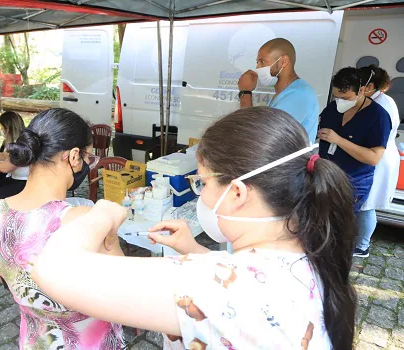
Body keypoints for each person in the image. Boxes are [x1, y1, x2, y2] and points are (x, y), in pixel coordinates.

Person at [28, 107, 357, 349]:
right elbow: (233, 288)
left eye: (203, 182)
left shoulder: (211, 284)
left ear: (238, 193)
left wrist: (100, 212)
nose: (201, 193)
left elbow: (54, 269)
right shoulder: (310, 250)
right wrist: (195, 252)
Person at [0, 108, 125, 349]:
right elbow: (122, 294)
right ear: (74, 156)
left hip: (36, 340)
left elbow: (7, 278)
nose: (87, 164)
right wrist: (109, 223)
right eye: (88, 158)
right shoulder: (86, 221)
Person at [318, 67, 391, 258]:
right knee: (320, 223)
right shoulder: (333, 109)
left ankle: (336, 265)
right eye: (336, 96)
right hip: (325, 175)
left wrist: (339, 140)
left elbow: (374, 157)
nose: (340, 102)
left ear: (361, 90)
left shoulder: (378, 116)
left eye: (346, 98)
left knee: (340, 229)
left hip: (353, 182)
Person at [238, 38, 319, 144]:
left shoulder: (299, 94)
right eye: (257, 62)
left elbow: (257, 135)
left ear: (283, 61)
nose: (257, 67)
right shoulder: (284, 93)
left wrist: (245, 92)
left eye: (262, 62)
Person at [356, 65, 400, 256]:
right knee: (366, 203)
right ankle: (359, 242)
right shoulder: (381, 100)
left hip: (378, 157)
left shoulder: (380, 105)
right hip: (380, 153)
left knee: (368, 204)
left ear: (370, 85)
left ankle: (362, 246)